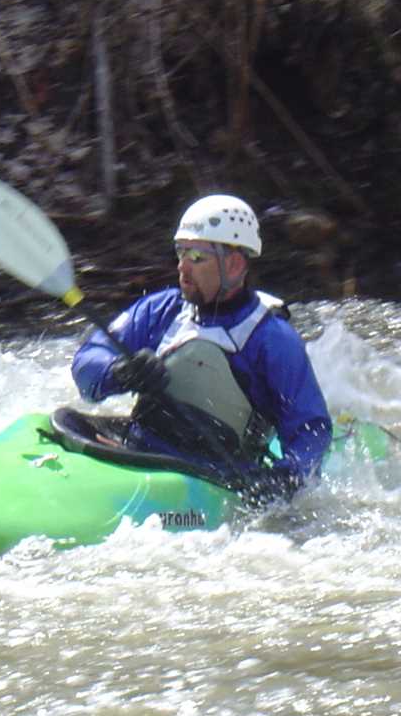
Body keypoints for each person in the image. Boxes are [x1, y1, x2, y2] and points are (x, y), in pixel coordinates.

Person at [71, 194, 333, 500]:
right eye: (180, 251)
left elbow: (310, 428)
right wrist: (119, 371)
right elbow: (87, 360)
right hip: (140, 451)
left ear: (234, 265)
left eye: (196, 256)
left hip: (214, 478)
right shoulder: (160, 310)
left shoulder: (273, 340)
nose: (182, 267)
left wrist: (285, 477)